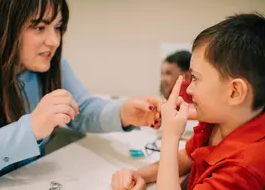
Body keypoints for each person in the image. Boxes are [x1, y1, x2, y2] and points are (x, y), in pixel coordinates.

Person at [0, 0, 163, 188]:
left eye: (57, 27)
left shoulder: (47, 61)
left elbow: (81, 108)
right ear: (5, 24)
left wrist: (122, 113)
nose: (54, 41)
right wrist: (30, 129)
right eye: (40, 27)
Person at [111, 13, 265, 190]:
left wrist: (170, 135)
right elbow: (188, 158)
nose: (189, 89)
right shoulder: (216, 122)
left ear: (234, 92)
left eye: (195, 79)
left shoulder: (246, 168)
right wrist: (138, 175)